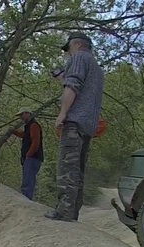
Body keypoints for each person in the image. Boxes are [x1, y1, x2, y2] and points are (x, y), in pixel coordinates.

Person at [45, 32, 105, 222]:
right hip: (88, 126)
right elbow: (78, 86)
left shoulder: (79, 57)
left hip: (74, 123)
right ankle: (72, 212)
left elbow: (73, 87)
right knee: (78, 170)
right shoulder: (96, 68)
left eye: (69, 48)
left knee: (67, 168)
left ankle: (64, 212)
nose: (68, 53)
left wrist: (62, 114)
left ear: (77, 44)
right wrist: (62, 79)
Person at [10, 108, 44, 200]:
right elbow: (25, 135)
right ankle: (26, 199)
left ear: (27, 114)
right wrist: (14, 131)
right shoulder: (29, 126)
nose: (20, 117)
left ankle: (26, 200)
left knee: (28, 182)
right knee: (27, 180)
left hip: (32, 158)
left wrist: (28, 154)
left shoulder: (34, 125)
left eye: (21, 115)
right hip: (31, 158)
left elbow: (35, 142)